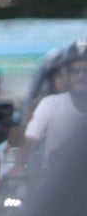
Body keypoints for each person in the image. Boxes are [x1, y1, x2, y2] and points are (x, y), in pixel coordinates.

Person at [11, 38, 87, 178]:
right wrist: (18, 166)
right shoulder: (49, 105)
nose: (80, 76)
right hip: (53, 184)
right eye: (74, 71)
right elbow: (30, 140)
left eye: (85, 70)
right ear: (66, 75)